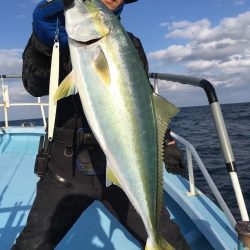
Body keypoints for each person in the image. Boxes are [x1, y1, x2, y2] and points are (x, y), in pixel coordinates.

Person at [12, 0, 190, 249]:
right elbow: (34, 86)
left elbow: (141, 101)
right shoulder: (58, 40)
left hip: (121, 162)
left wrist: (166, 139)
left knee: (170, 240)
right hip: (66, 166)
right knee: (31, 245)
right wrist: (43, 47)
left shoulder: (130, 45)